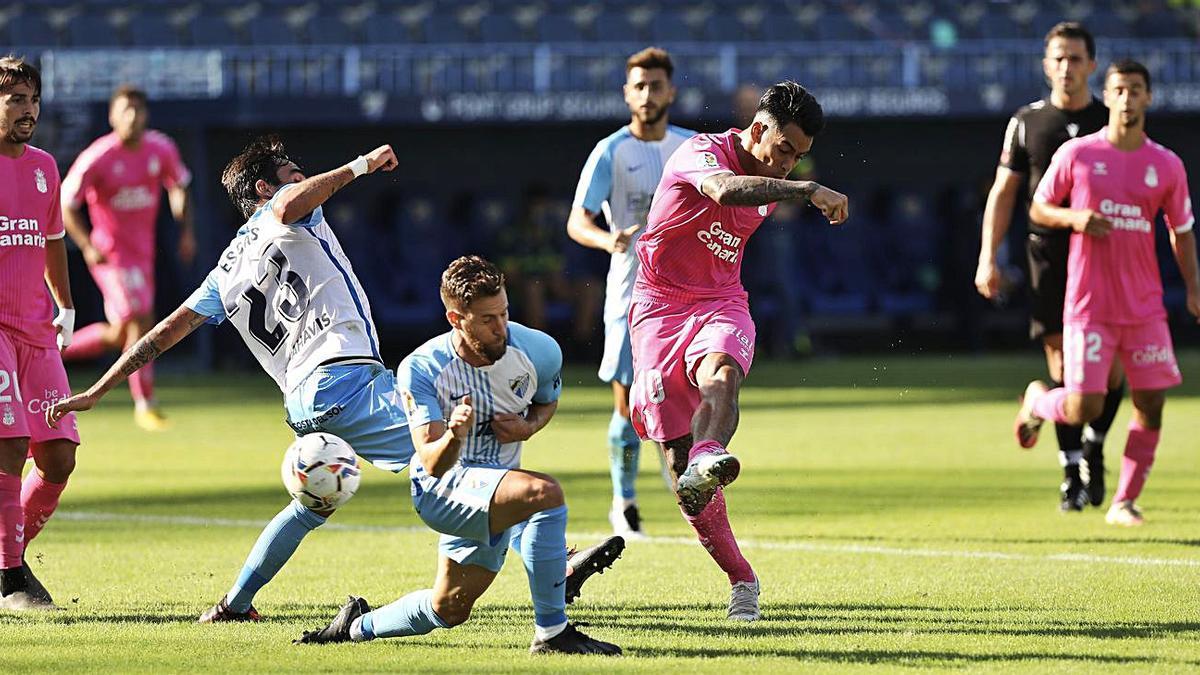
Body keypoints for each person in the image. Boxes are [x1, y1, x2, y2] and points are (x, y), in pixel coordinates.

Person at [48, 138, 619, 630]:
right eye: (292, 172)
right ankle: (556, 563)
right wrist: (360, 166)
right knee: (458, 446)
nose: (304, 179)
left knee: (312, 503)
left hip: (307, 403)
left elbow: (163, 332)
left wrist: (101, 387)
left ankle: (234, 603)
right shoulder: (285, 212)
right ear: (261, 189)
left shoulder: (226, 268)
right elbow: (292, 200)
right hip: (344, 381)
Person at [296, 256, 622, 655]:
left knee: (449, 608)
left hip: (494, 486)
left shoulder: (539, 350)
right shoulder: (421, 368)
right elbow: (432, 461)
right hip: (441, 491)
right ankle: (554, 634)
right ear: (456, 318)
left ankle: (354, 627)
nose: (501, 327)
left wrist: (527, 428)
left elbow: (545, 403)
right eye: (487, 319)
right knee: (544, 495)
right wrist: (455, 433)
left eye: (504, 312)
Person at [629, 81, 848, 621]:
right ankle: (741, 575)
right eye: (784, 150)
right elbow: (725, 191)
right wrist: (806, 189)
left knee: (722, 374)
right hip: (658, 307)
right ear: (756, 129)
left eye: (799, 157)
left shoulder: (774, 179)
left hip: (721, 301)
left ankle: (711, 455)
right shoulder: (700, 153)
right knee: (682, 476)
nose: (788, 164)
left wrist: (791, 184)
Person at [1015, 60, 1198, 528]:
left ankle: (1124, 501)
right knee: (1084, 407)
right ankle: (1038, 401)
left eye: (1136, 90)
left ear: (1148, 98)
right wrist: (1075, 219)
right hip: (1089, 306)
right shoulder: (1078, 154)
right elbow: (1039, 205)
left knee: (1152, 403)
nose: (1127, 98)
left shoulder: (1166, 164)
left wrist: (1194, 287)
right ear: (1108, 95)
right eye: (1119, 90)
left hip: (1144, 309)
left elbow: (1181, 231)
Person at [975, 22, 1123, 511]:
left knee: (1115, 373)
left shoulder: (1112, 119)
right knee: (1068, 370)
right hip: (1051, 260)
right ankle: (1071, 474)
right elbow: (1004, 192)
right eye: (1058, 58)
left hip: (1107, 260)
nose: (1066, 67)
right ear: (1046, 65)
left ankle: (1091, 444)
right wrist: (988, 258)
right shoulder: (1026, 121)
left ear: (1092, 65)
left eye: (1076, 58)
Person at [568, 47, 693, 538]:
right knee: (627, 403)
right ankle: (624, 502)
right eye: (638, 86)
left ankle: (681, 481)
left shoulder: (690, 148)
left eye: (655, 85)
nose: (647, 94)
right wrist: (607, 238)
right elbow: (578, 220)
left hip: (685, 296)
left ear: (671, 91)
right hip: (630, 294)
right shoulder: (610, 151)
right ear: (627, 93)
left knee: (684, 400)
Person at [60, 85, 195, 431]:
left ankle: (51, 350)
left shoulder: (160, 148)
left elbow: (178, 184)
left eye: (138, 110)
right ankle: (145, 403)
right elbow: (66, 202)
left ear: (146, 115)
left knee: (121, 332)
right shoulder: (99, 156)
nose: (133, 117)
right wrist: (88, 245)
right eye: (125, 110)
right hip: (110, 256)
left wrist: (184, 228)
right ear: (112, 116)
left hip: (143, 255)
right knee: (138, 318)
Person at [0, 55, 80, 610]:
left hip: (35, 330)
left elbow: (51, 238)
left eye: (32, 99)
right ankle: (8, 579)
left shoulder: (45, 167)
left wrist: (67, 305)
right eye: (15, 101)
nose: (29, 111)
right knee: (7, 443)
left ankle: (7, 551)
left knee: (57, 457)